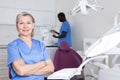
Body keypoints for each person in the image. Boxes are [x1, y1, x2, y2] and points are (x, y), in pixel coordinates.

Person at [7, 12, 54, 80]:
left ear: (33, 25)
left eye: (28, 23)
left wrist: (27, 69)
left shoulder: (40, 44)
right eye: (21, 23)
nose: (25, 26)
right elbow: (21, 71)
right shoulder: (13, 46)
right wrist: (42, 64)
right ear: (17, 26)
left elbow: (51, 68)